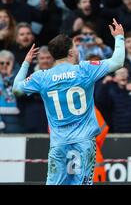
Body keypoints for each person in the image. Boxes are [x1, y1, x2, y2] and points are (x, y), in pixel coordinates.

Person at [12, 19, 125, 185]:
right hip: (84, 143)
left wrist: (26, 62)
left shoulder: (42, 77)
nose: (78, 50)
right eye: (75, 47)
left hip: (59, 144)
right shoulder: (85, 70)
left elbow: (16, 89)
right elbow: (117, 62)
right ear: (71, 53)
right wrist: (119, 37)